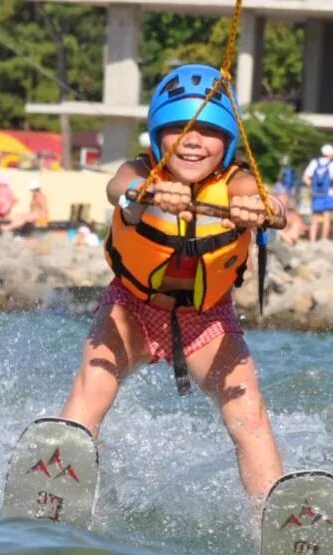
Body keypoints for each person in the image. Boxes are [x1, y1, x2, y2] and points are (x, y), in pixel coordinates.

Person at [58, 63, 284, 508]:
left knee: (248, 411)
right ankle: (61, 470)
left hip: (208, 321)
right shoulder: (140, 173)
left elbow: (264, 199)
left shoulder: (237, 181)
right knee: (95, 384)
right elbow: (117, 187)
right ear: (157, 135)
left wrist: (263, 206)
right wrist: (144, 194)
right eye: (178, 127)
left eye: (207, 130)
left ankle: (273, 510)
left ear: (229, 141)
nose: (192, 140)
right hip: (131, 310)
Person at [302, 143, 333, 243]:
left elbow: (305, 177)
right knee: (327, 218)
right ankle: (323, 240)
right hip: (328, 193)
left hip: (316, 194)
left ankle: (312, 241)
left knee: (314, 219)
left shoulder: (314, 163)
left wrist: (312, 186)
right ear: (330, 154)